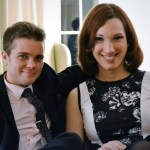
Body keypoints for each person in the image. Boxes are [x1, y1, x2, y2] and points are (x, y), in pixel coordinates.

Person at [66, 3, 150, 150]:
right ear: (88, 44)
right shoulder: (76, 95)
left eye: (117, 38)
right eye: (99, 39)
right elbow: (72, 147)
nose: (109, 49)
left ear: (128, 41)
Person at [0, 21, 88, 150]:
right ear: (5, 57)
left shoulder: (46, 80)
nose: (31, 65)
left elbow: (75, 75)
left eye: (38, 58)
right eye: (23, 56)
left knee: (72, 139)